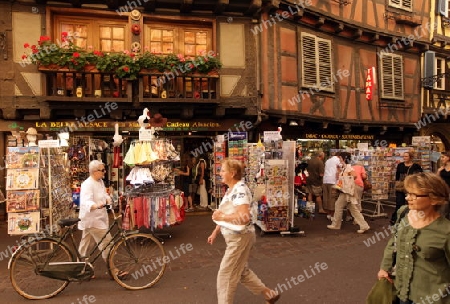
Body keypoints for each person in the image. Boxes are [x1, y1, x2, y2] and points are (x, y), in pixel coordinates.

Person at [207, 159, 280, 304]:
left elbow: (244, 217)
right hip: (237, 237)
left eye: (222, 170)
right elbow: (228, 211)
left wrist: (221, 217)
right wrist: (216, 231)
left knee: (226, 274)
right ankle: (269, 294)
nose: (220, 173)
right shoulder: (232, 189)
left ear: (232, 173)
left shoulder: (239, 190)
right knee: (241, 271)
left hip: (240, 238)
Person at [377, 172, 450, 304]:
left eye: (413, 195)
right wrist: (384, 268)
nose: (407, 198)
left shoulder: (446, 231)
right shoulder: (403, 213)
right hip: (401, 292)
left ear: (434, 199)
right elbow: (393, 242)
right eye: (407, 193)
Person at [78, 160, 127, 278]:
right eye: (102, 170)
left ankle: (81, 269)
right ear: (95, 171)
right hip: (93, 219)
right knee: (107, 243)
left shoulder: (100, 181)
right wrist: (95, 206)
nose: (105, 172)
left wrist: (108, 199)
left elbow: (104, 195)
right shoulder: (87, 184)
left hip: (96, 218)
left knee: (86, 245)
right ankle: (113, 271)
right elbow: (85, 201)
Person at [327, 152, 371, 233]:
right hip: (348, 191)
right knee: (353, 209)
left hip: (347, 191)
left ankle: (336, 224)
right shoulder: (345, 167)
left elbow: (354, 176)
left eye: (340, 158)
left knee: (339, 205)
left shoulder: (348, 167)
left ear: (344, 158)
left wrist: (345, 178)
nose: (339, 160)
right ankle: (364, 225)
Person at [391, 151, 422, 224]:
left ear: (410, 157)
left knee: (411, 203)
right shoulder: (400, 165)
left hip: (411, 186)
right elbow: (397, 175)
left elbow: (420, 175)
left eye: (406, 156)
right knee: (399, 203)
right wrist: (397, 183)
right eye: (403, 156)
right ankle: (396, 219)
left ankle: (411, 218)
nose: (404, 158)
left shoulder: (416, 166)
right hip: (401, 187)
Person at [322, 152, 341, 219]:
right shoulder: (337, 160)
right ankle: (333, 215)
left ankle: (329, 214)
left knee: (326, 197)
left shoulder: (327, 160)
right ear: (339, 156)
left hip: (325, 180)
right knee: (332, 198)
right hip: (333, 181)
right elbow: (340, 168)